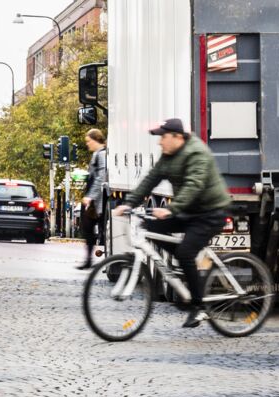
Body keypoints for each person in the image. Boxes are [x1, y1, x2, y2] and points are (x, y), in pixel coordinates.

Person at [112, 119, 232, 328]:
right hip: (188, 212)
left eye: (163, 137)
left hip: (210, 213)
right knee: (150, 228)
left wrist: (170, 209)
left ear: (177, 137)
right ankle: (185, 271)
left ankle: (198, 307)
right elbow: (151, 179)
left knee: (185, 253)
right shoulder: (169, 156)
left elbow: (193, 186)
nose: (160, 142)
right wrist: (128, 203)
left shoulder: (196, 153)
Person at [77, 129, 108, 270]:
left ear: (96, 140)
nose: (87, 144)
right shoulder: (98, 154)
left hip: (96, 200)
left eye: (89, 141)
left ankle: (90, 260)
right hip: (94, 199)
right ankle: (90, 260)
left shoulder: (101, 155)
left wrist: (90, 196)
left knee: (90, 228)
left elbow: (100, 177)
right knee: (91, 228)